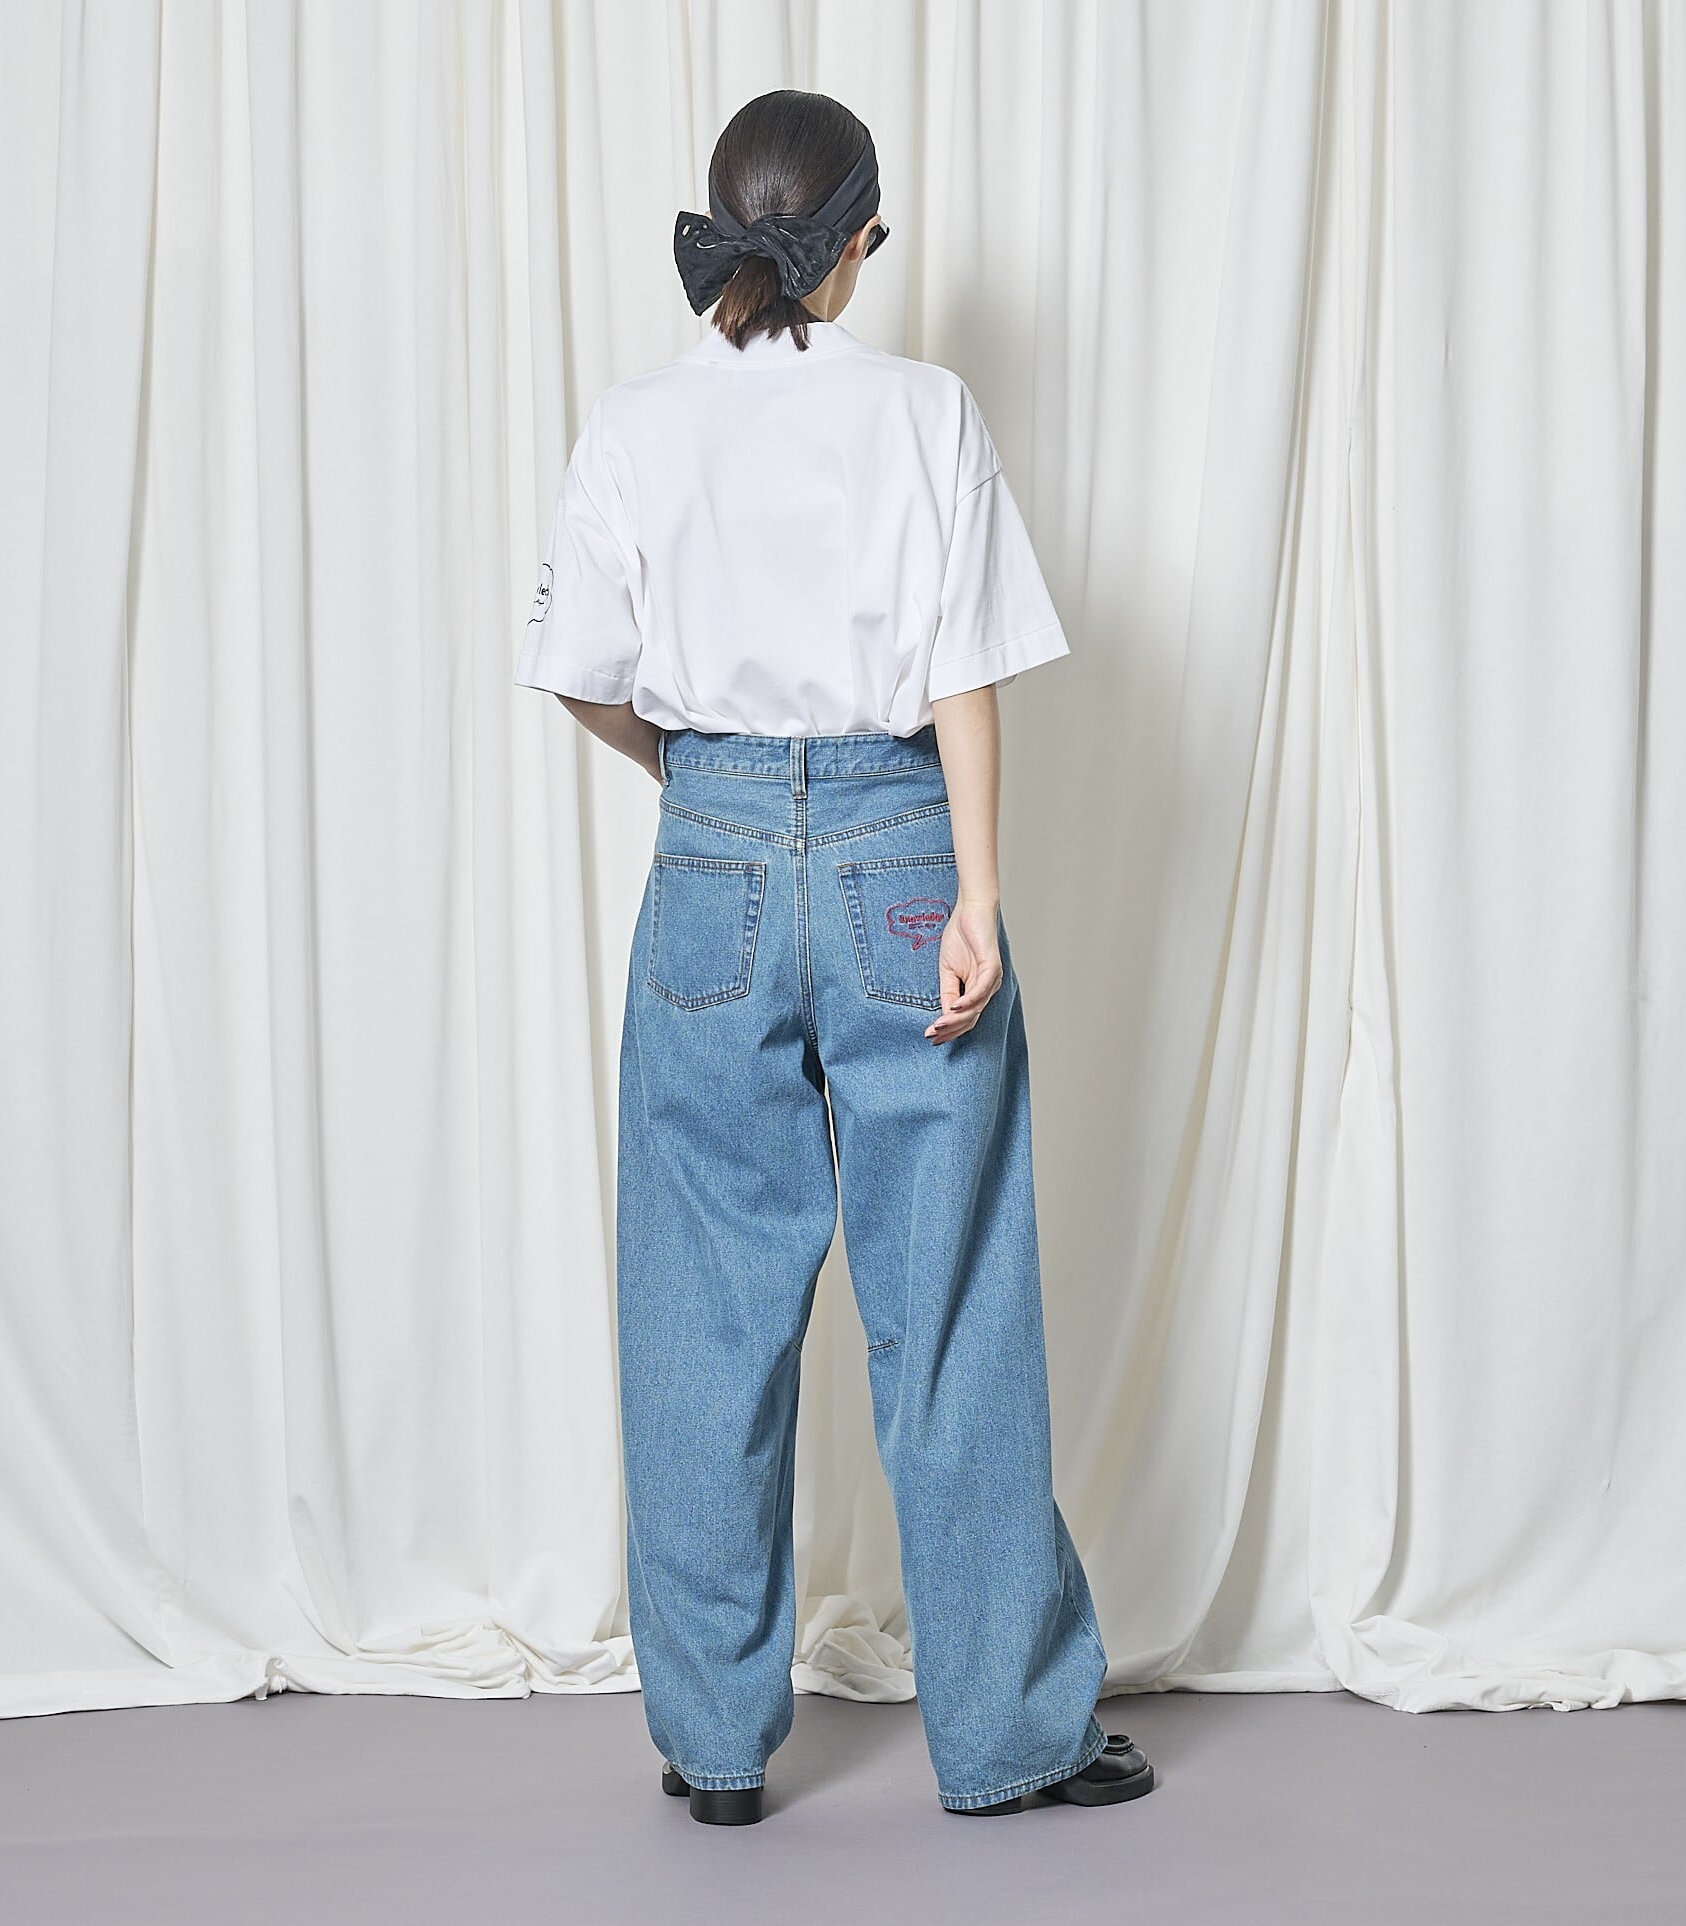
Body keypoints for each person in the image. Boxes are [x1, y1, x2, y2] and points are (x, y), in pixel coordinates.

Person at [513, 88, 1153, 1826]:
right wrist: (976, 892)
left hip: (711, 861)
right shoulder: (923, 409)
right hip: (895, 852)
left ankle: (714, 1746)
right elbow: (962, 670)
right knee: (947, 1300)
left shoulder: (634, 423)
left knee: (699, 1309)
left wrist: (708, 784)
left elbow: (580, 674)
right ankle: (1008, 1735)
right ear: (856, 237)